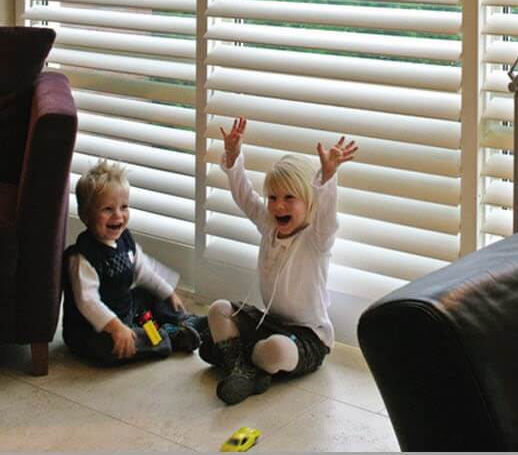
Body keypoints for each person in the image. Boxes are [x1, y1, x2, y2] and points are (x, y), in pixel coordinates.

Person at [199, 117, 357, 405]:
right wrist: (234, 158)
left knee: (277, 352)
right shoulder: (269, 225)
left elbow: (327, 216)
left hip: (306, 338)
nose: (277, 206)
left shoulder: (316, 240)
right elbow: (244, 196)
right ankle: (242, 369)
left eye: (289, 198)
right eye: (272, 198)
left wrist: (328, 177)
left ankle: (233, 355)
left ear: (309, 201)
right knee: (219, 310)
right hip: (268, 321)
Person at [62, 158, 201, 364]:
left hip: (125, 310)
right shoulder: (82, 256)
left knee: (149, 293)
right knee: (111, 348)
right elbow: (88, 302)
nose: (118, 215)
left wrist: (168, 292)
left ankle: (185, 321)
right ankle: (167, 336)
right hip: (94, 329)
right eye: (107, 209)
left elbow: (144, 270)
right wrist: (116, 327)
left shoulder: (124, 240)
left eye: (124, 206)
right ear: (85, 215)